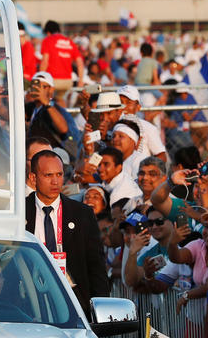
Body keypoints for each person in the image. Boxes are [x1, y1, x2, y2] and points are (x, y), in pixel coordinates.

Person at [25, 150, 109, 318]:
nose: (55, 181)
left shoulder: (81, 213)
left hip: (73, 299)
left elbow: (96, 265)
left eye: (59, 174)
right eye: (48, 175)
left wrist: (101, 310)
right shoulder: (21, 211)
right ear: (33, 178)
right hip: (28, 299)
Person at [116, 85, 167, 161]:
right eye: (120, 102)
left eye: (128, 102)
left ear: (138, 107)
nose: (123, 106)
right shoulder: (110, 125)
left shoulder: (147, 127)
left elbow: (161, 155)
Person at [39, 20, 84, 104]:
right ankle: (64, 116)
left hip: (52, 80)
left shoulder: (48, 40)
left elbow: (45, 61)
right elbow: (80, 62)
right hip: (67, 81)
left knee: (44, 100)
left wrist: (40, 78)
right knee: (60, 100)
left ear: (48, 32)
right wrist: (80, 80)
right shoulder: (69, 42)